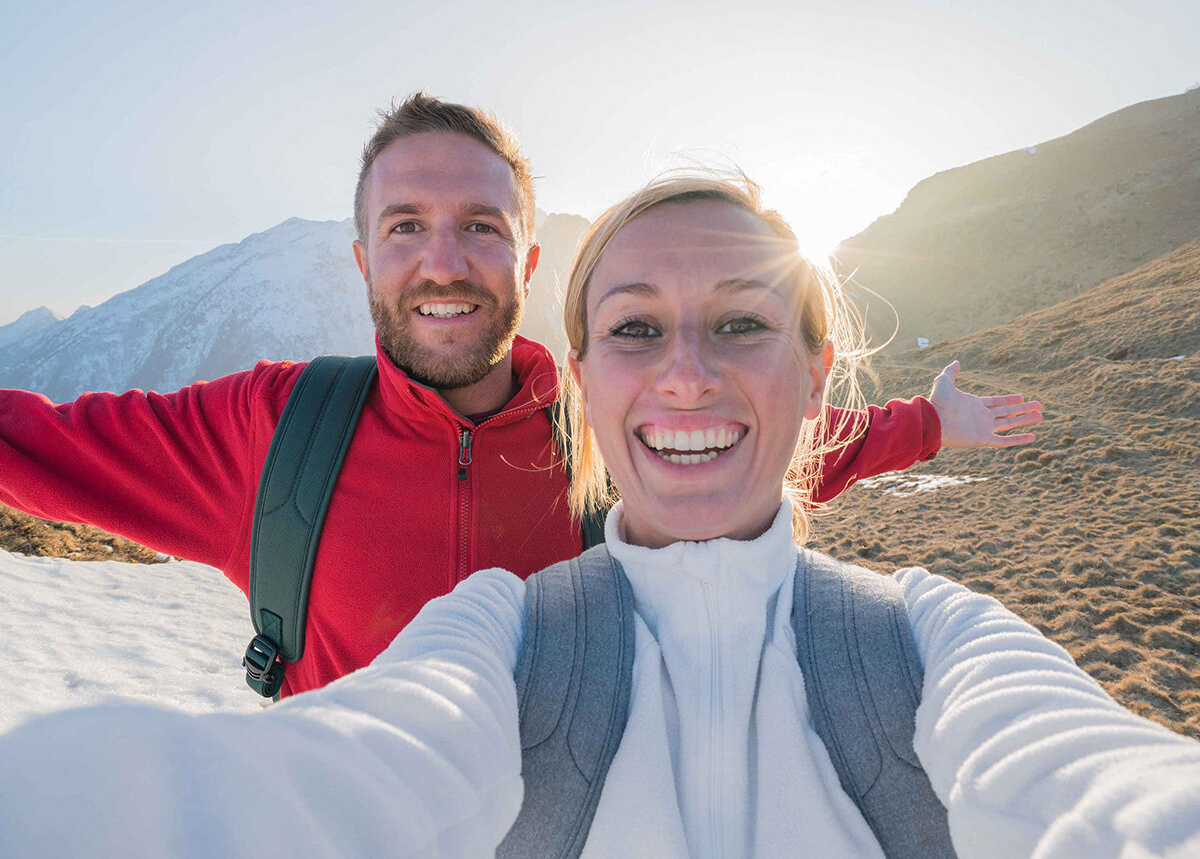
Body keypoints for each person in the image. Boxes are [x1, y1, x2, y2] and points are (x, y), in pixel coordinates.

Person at [0, 171, 1193, 859]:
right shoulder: (493, 631)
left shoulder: (938, 642)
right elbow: (362, 763)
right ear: (583, 368)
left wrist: (929, 429)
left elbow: (1089, 787)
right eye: (634, 327)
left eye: (741, 323)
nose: (684, 376)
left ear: (820, 369)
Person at [0, 93, 1041, 699]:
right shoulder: (272, 432)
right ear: (363, 259)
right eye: (406, 226)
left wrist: (934, 423)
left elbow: (780, 437)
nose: (443, 262)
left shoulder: (608, 427)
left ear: (527, 254)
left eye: (482, 227)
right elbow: (40, 443)